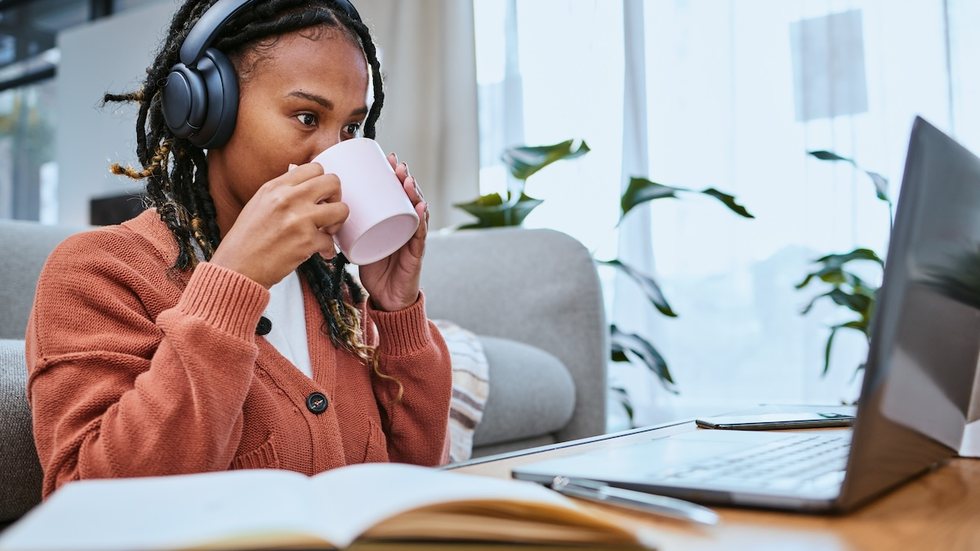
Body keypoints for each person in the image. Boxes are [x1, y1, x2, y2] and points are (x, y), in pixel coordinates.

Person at [25, 0, 452, 499]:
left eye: (350, 128)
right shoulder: (98, 272)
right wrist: (235, 283)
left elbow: (416, 480)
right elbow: (94, 505)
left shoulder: (333, 292)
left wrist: (397, 312)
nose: (334, 156)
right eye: (307, 116)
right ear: (209, 111)